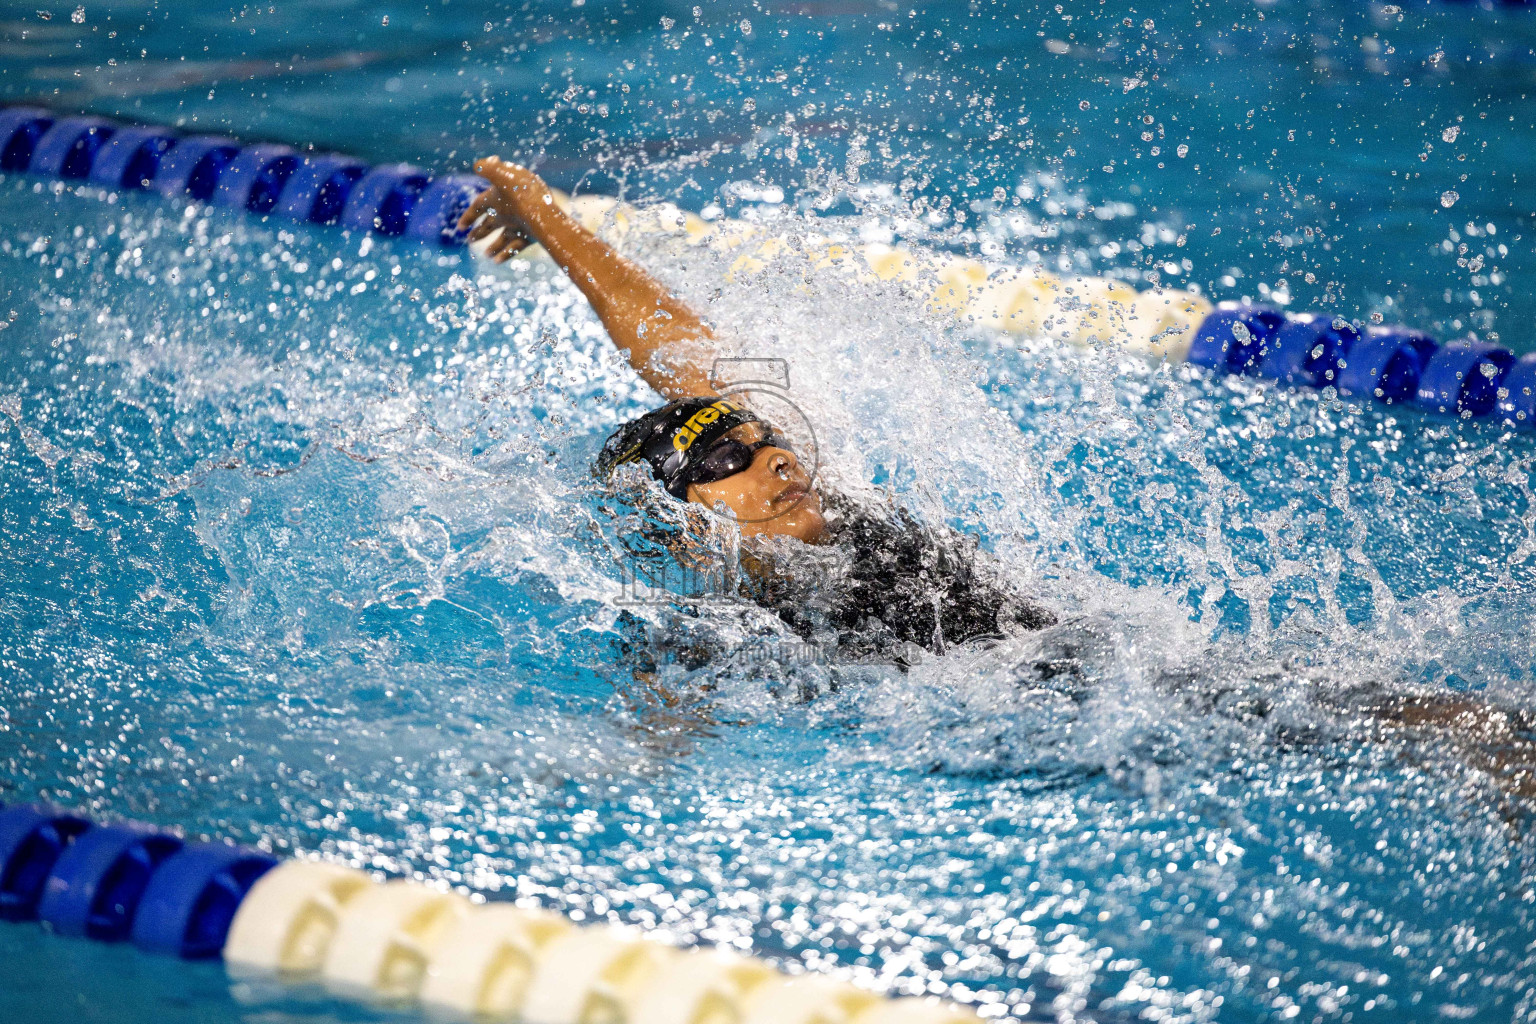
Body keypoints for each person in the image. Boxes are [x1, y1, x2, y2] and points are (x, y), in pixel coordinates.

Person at [458, 157, 1055, 669]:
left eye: (769, 438)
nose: (773, 458)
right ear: (691, 530)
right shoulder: (714, 635)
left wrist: (543, 212)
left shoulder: (846, 513)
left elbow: (671, 342)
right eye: (726, 457)